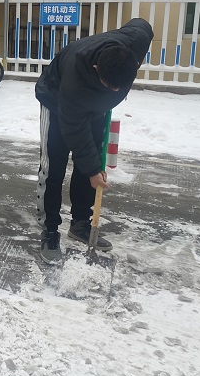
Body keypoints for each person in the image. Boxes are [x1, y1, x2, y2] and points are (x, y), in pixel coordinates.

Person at [35, 18, 154, 264]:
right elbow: (76, 132)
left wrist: (91, 168)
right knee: (54, 167)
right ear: (97, 68)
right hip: (56, 102)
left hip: (94, 107)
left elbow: (142, 26)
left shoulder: (133, 45)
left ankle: (80, 222)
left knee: (91, 164)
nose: (116, 91)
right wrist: (92, 171)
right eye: (110, 86)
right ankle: (50, 230)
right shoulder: (74, 82)